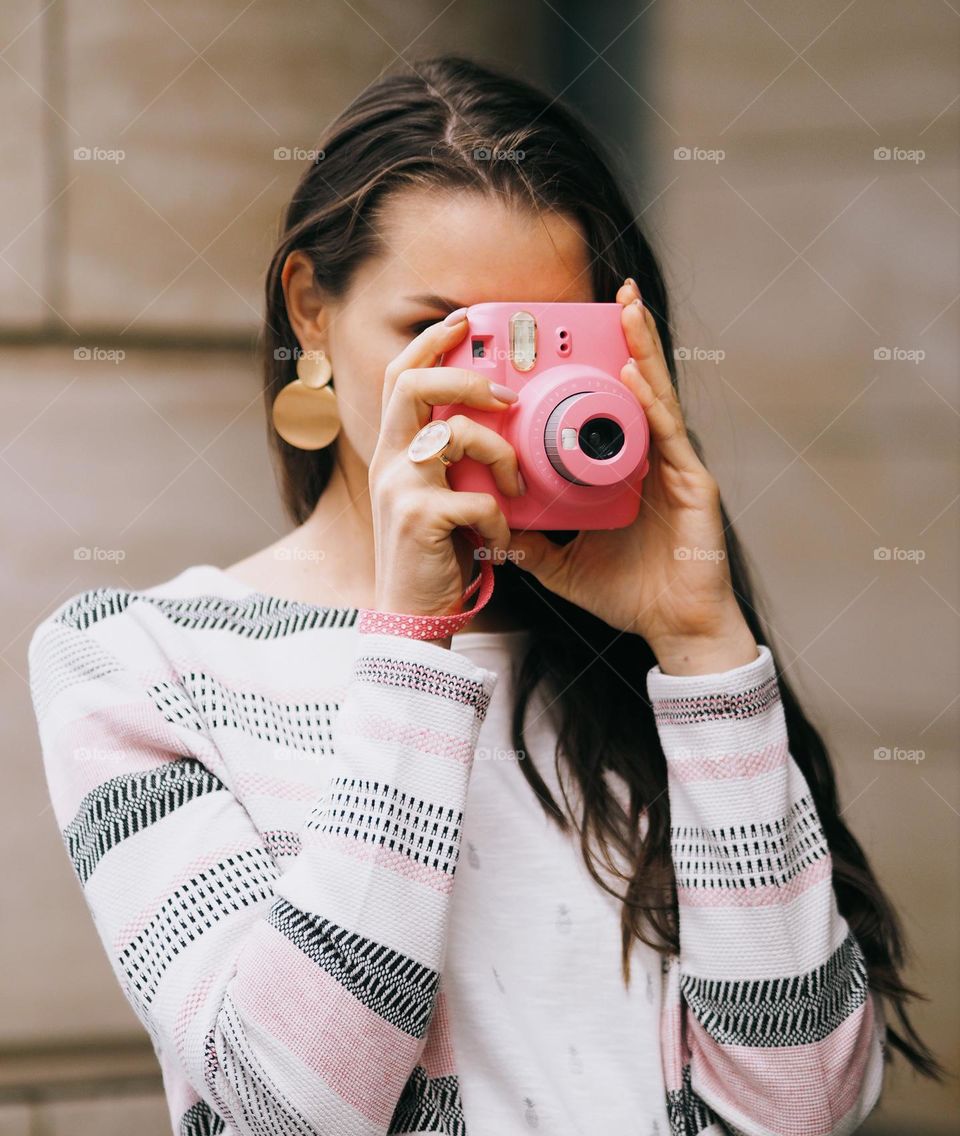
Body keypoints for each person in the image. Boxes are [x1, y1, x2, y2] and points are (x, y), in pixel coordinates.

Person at [28, 55, 941, 1136]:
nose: (492, 391)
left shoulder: (639, 655)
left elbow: (804, 1106)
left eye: (547, 341)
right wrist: (415, 639)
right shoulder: (140, 662)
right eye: (442, 331)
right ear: (310, 309)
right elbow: (292, 1110)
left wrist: (704, 650)